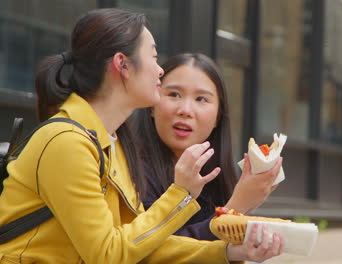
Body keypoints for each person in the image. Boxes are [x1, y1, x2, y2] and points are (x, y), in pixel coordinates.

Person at [0, 9, 283, 263]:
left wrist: (227, 252)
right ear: (122, 65)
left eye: (202, 100)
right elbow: (109, 255)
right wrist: (182, 194)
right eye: (154, 56)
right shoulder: (67, 142)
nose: (160, 70)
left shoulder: (112, 144)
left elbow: (139, 245)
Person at [132, 53, 282, 241]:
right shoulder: (130, 168)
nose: (185, 110)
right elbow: (154, 249)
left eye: (201, 99)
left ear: (218, 117)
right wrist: (236, 207)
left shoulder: (217, 174)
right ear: (152, 106)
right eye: (174, 95)